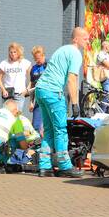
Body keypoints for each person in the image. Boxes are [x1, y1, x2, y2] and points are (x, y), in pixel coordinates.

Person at [34, 27, 89, 178]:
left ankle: (44, 167)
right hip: (53, 92)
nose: (87, 40)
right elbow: (72, 79)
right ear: (75, 39)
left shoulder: (62, 50)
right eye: (85, 38)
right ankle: (65, 166)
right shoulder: (76, 53)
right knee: (60, 130)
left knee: (49, 130)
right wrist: (75, 104)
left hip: (40, 90)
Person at [0, 42, 31, 112]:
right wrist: (3, 90)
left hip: (20, 93)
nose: (12, 54)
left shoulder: (25, 63)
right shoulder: (4, 63)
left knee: (17, 114)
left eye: (14, 52)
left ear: (18, 52)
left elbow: (32, 78)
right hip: (7, 93)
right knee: (6, 114)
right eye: (11, 52)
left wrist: (27, 89)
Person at [27, 46, 48, 134]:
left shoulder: (49, 66)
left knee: (47, 125)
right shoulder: (34, 68)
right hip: (38, 100)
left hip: (49, 98)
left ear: (43, 55)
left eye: (39, 58)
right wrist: (31, 102)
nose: (37, 61)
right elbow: (32, 85)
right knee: (35, 125)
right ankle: (36, 145)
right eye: (35, 59)